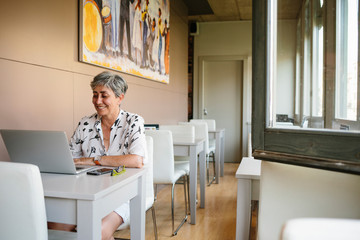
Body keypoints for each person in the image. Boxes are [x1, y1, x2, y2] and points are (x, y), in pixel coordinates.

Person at [49, 71, 146, 240]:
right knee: (54, 227)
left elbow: (136, 160)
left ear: (119, 98)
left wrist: (94, 160)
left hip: (123, 194)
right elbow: (71, 159)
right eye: (95, 95)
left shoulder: (133, 121)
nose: (98, 101)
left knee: (96, 232)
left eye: (104, 95)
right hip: (86, 192)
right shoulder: (86, 123)